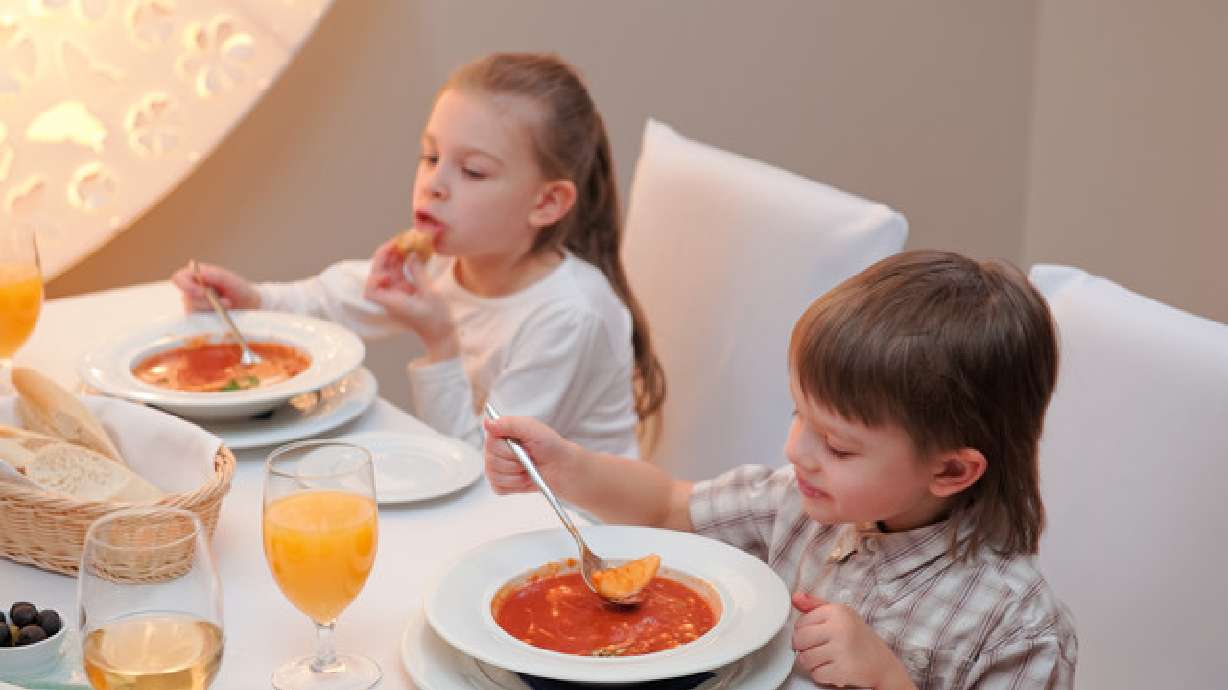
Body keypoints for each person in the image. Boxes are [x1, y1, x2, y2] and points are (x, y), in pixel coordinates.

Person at [483, 250, 1077, 689]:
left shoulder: (1016, 627)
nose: (797, 451)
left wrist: (885, 679)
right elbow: (667, 506)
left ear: (950, 472)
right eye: (799, 415)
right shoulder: (795, 503)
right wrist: (567, 468)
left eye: (838, 446)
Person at [171, 53, 664, 456]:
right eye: (431, 157)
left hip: (575, 528)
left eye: (473, 171)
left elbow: (481, 470)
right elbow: (343, 298)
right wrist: (255, 300)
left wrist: (440, 343)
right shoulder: (451, 259)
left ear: (547, 203)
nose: (435, 184)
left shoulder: (569, 316)